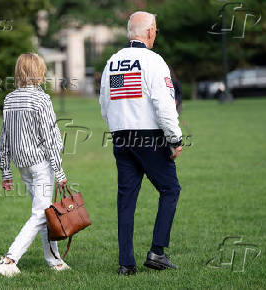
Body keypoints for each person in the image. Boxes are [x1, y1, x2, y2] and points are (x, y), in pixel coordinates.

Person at [99, 11, 183, 275]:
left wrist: (118, 128)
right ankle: (157, 252)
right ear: (149, 32)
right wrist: (175, 138)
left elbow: (105, 103)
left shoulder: (113, 61)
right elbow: (164, 105)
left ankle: (126, 263)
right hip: (148, 136)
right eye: (155, 29)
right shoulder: (154, 61)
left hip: (121, 135)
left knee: (126, 200)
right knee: (170, 189)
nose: (155, 33)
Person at [0, 53, 70, 277]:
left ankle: (54, 260)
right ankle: (10, 259)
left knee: (45, 212)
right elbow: (48, 137)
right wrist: (60, 171)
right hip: (40, 164)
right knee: (41, 214)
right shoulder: (41, 99)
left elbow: (4, 138)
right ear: (38, 72)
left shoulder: (9, 99)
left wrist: (6, 172)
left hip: (22, 165)